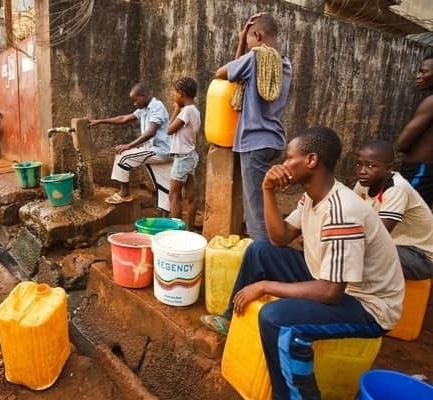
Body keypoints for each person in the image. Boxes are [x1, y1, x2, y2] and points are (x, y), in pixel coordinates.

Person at [200, 126, 404, 399]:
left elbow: (330, 292)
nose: (283, 165)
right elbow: (279, 238)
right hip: (330, 279)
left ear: (311, 160)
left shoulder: (342, 213)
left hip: (368, 305)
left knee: (277, 319)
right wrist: (267, 190)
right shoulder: (312, 197)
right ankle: (229, 319)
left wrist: (264, 286)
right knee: (259, 250)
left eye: (288, 158)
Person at [215, 12, 292, 240]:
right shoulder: (284, 63)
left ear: (257, 35)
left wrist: (240, 42)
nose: (247, 44)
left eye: (249, 39)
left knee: (255, 210)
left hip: (253, 141)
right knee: (262, 199)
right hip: (272, 139)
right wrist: (244, 40)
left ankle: (262, 258)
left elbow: (222, 73)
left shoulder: (255, 58)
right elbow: (239, 76)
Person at [353, 140, 433, 280]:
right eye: (359, 164)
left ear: (388, 168)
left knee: (355, 254)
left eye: (371, 166)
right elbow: (349, 217)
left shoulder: (396, 189)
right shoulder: (365, 183)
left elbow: (378, 236)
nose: (362, 171)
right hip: (396, 248)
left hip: (421, 257)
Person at [88, 83, 172, 207]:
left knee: (123, 156)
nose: (134, 104)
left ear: (143, 96)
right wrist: (100, 121)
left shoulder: (156, 106)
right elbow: (124, 118)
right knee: (164, 187)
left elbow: (151, 132)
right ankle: (165, 217)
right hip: (153, 149)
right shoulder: (144, 109)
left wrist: (129, 145)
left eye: (135, 100)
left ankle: (125, 193)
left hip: (161, 150)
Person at [394, 54, 433, 207]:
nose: (418, 76)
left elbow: (402, 143)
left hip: (420, 170)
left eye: (424, 72)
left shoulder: (431, 102)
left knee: (400, 213)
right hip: (424, 171)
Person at [167, 77, 200, 231]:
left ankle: (176, 233)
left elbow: (169, 129)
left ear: (181, 93)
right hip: (190, 156)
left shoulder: (186, 111)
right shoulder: (195, 111)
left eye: (175, 93)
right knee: (191, 194)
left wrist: (175, 109)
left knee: (174, 196)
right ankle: (190, 230)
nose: (174, 96)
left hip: (182, 157)